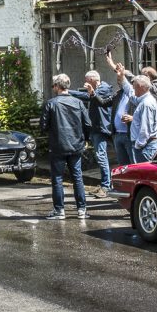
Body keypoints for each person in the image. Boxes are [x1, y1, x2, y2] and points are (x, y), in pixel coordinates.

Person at [39, 73, 91, 220]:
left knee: (57, 179)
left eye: (53, 85)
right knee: (77, 177)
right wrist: (85, 139)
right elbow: (87, 124)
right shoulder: (78, 103)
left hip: (58, 145)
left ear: (56, 86)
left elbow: (43, 126)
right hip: (76, 145)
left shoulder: (51, 103)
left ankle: (59, 210)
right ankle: (81, 210)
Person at [69, 70, 114, 198]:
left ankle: (106, 186)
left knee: (101, 156)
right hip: (95, 127)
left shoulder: (104, 89)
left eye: (87, 81)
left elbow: (88, 97)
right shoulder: (96, 89)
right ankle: (104, 184)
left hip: (101, 128)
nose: (85, 83)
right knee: (100, 155)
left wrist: (68, 92)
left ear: (93, 80)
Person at [122, 74, 157, 161]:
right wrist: (122, 78)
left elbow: (145, 128)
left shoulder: (146, 103)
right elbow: (132, 95)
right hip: (146, 146)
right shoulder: (144, 100)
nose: (133, 88)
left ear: (140, 86)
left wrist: (138, 145)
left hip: (145, 147)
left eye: (134, 86)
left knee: (146, 173)